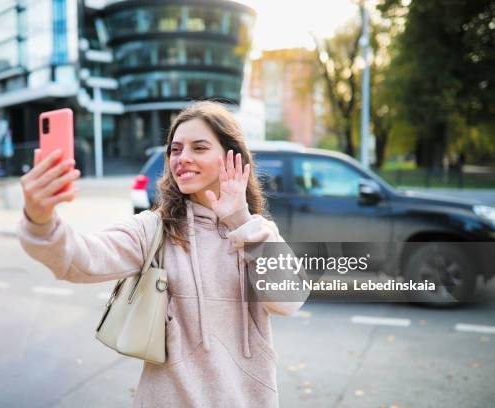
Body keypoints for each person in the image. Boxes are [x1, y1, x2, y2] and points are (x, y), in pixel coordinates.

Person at [17, 101, 307, 406]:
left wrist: (239, 221)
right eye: (176, 149)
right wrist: (40, 219)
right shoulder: (154, 229)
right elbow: (81, 260)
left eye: (199, 147)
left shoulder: (256, 230)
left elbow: (289, 301)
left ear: (231, 157)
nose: (183, 158)